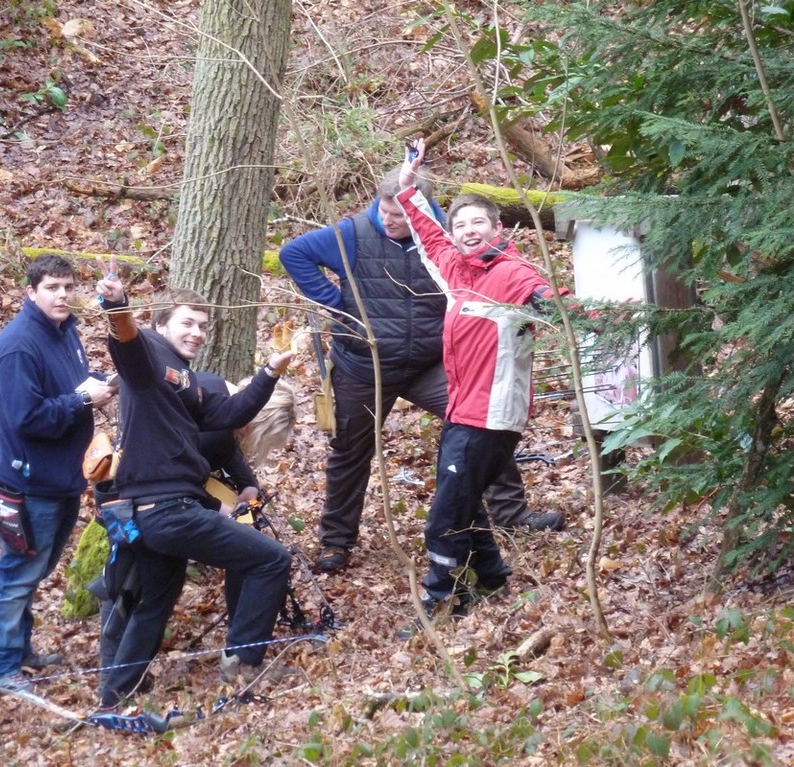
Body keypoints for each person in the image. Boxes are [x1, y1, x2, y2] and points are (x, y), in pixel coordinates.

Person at [279, 167, 562, 573]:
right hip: (365, 365)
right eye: (385, 212)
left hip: (430, 365)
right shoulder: (352, 234)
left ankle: (511, 513)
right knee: (349, 451)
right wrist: (338, 304)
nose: (391, 220)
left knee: (481, 428)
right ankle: (336, 542)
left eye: (400, 214)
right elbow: (293, 254)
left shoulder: (442, 237)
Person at [93, 270, 295, 705]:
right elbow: (125, 341)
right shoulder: (147, 359)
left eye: (203, 325)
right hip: (167, 509)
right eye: (187, 322)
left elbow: (230, 413)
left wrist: (269, 372)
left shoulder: (182, 379)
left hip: (151, 513)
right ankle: (242, 666)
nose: (197, 333)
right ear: (160, 324)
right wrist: (116, 305)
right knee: (271, 559)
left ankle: (115, 695)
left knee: (154, 605)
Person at [395, 139, 559, 628]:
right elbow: (430, 237)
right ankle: (490, 577)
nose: (468, 232)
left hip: (492, 417)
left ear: (497, 228)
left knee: (445, 516)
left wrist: (597, 315)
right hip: (461, 410)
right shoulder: (458, 272)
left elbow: (552, 302)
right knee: (464, 503)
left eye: (477, 223)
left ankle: (441, 599)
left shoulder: (513, 274)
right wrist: (408, 188)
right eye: (461, 225)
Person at [0, 254, 116, 693]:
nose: (62, 295)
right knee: (17, 574)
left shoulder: (65, 331)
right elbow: (26, 418)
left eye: (67, 287)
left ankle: (19, 651)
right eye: (52, 288)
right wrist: (84, 400)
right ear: (31, 292)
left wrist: (99, 383)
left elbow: (68, 386)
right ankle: (0, 667)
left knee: (33, 572)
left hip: (63, 478)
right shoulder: (18, 345)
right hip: (28, 483)